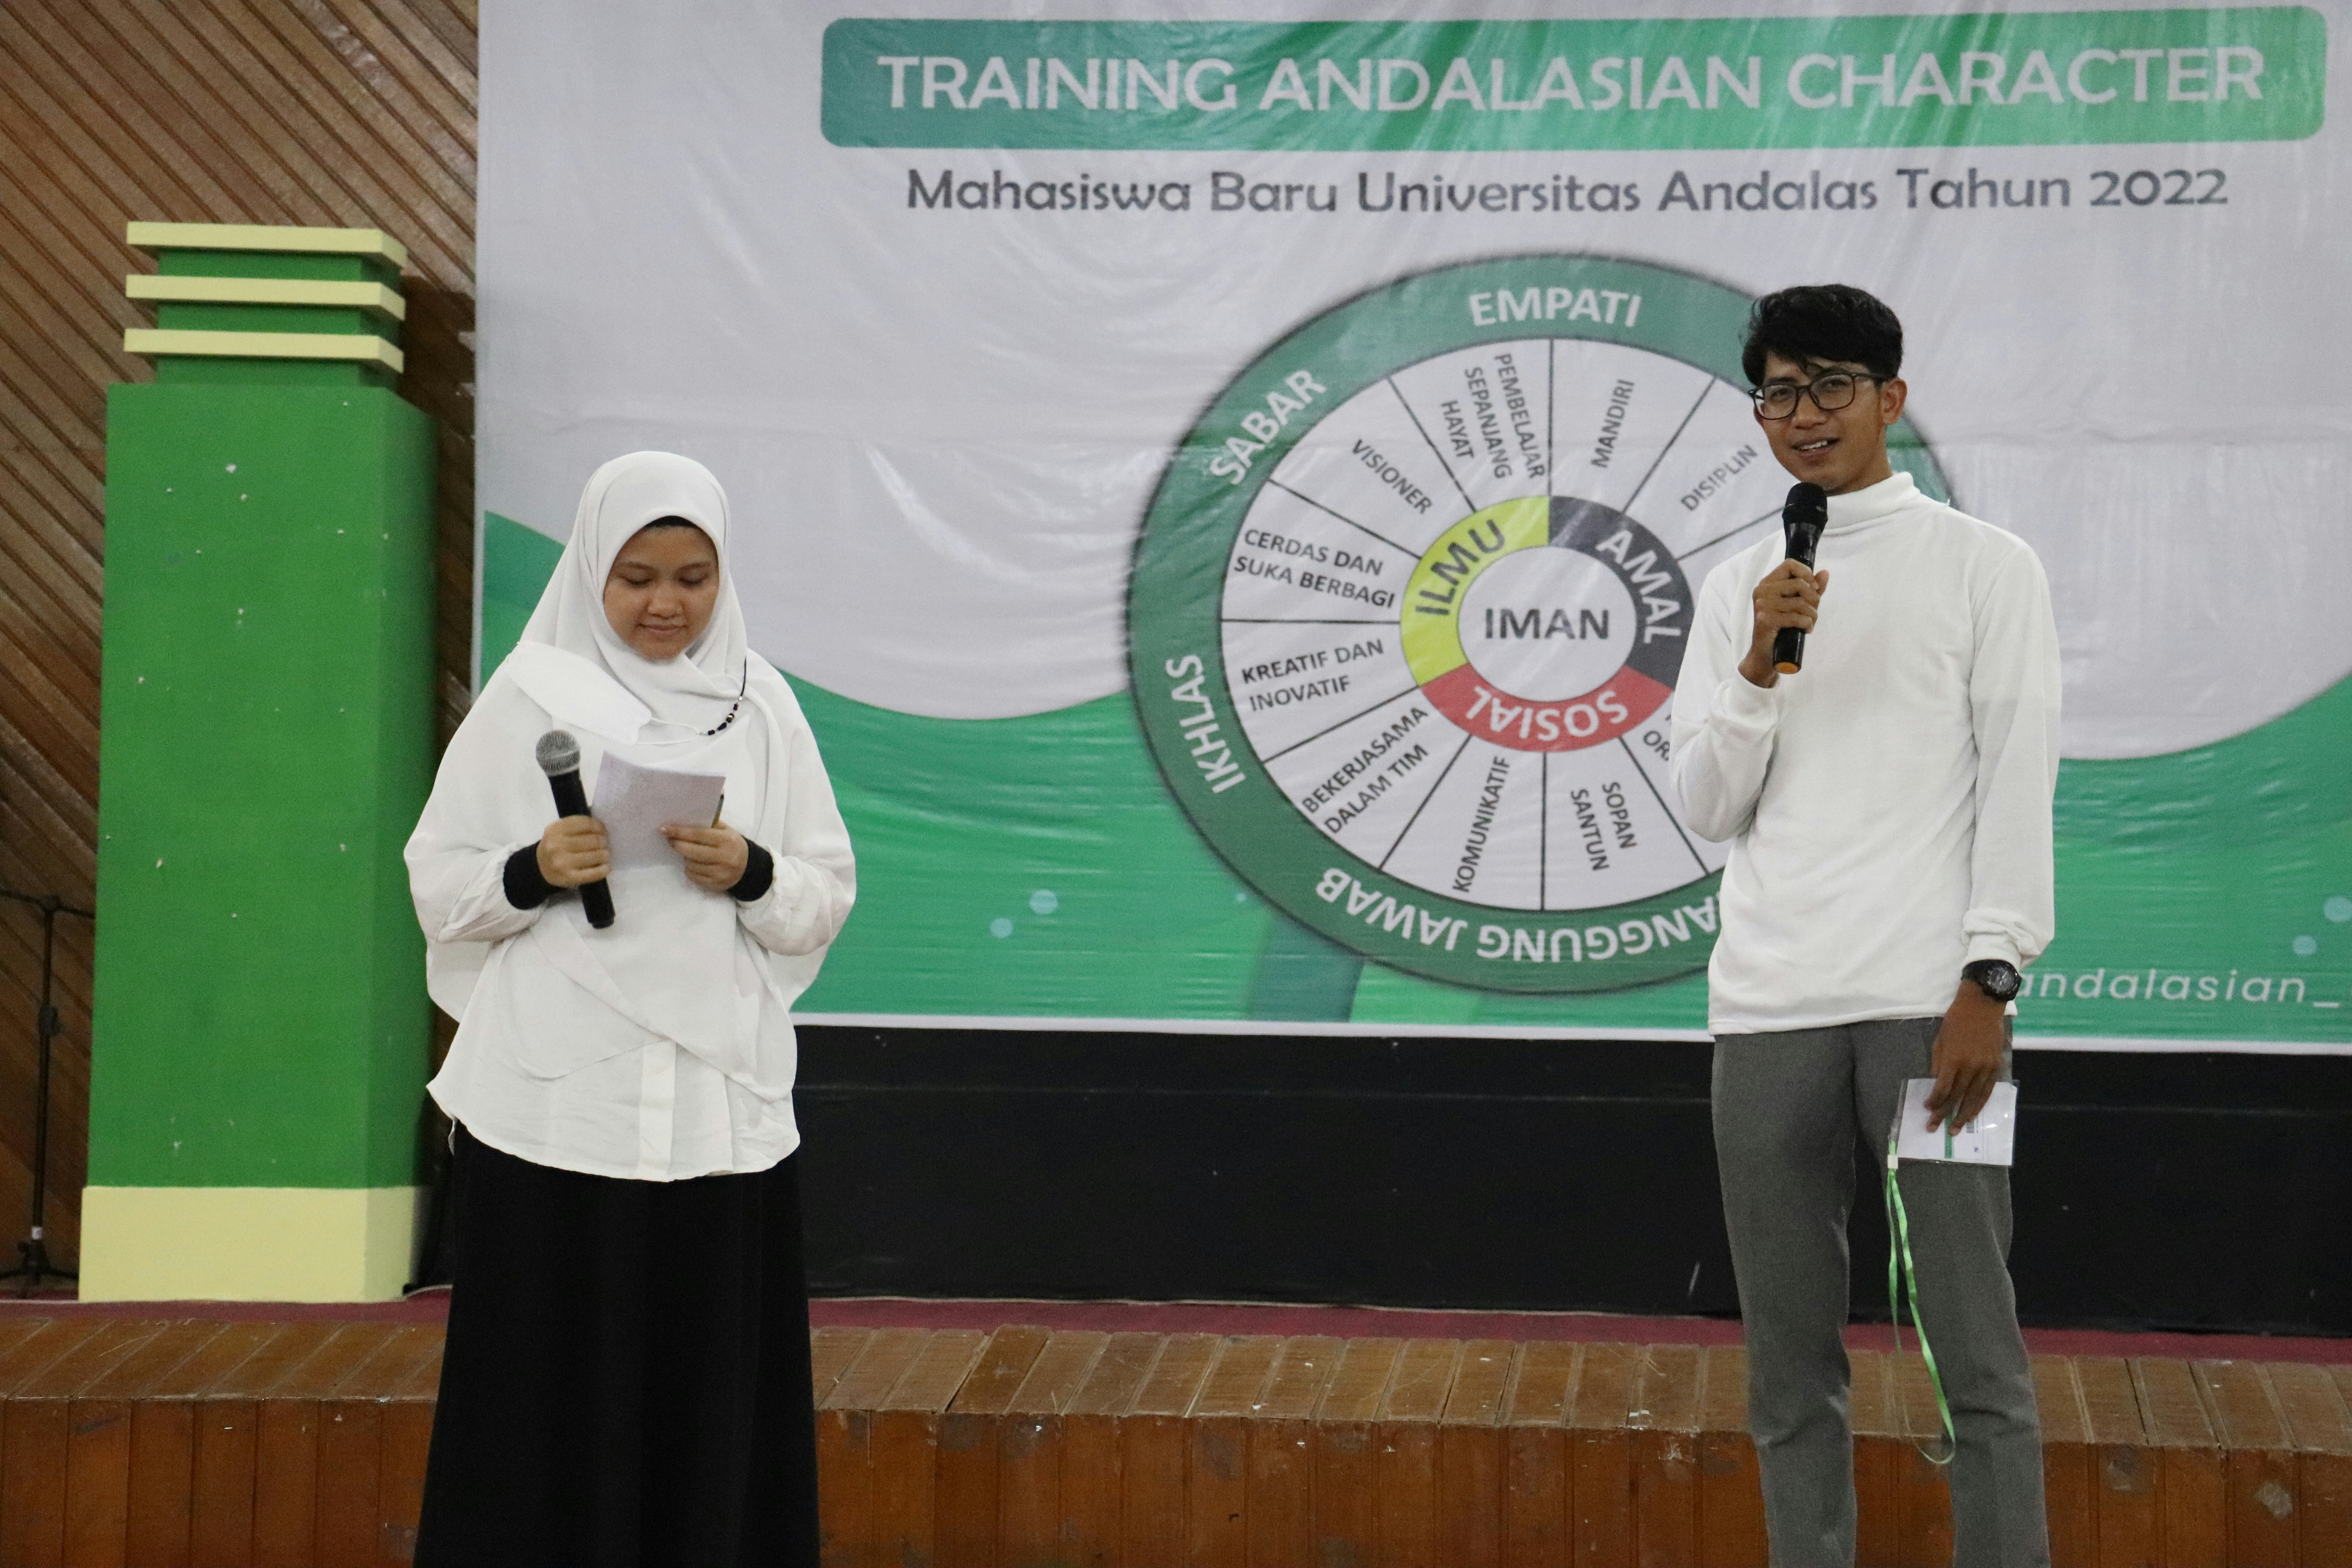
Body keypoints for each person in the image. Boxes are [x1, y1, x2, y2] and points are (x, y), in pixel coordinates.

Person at [405, 451, 855, 1568]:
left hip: (716, 1111)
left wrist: (750, 869)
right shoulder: (532, 698)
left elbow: (821, 899)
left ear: (722, 578)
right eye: (638, 576)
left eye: (693, 577)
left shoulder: (765, 706)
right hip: (560, 1107)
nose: (666, 604)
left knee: (710, 1389)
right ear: (593, 575)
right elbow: (440, 884)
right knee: (541, 1395)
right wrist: (532, 865)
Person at [1670, 286, 2061, 1568]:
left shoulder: (1985, 565)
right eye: (1779, 392)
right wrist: (1755, 667)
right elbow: (1708, 807)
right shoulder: (1744, 587)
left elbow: (2018, 777)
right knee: (1786, 1362)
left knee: (1976, 1349)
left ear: (1892, 398)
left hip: (1927, 1006)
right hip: (1766, 1009)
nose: (1804, 415)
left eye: (1831, 385)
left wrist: (1989, 981)